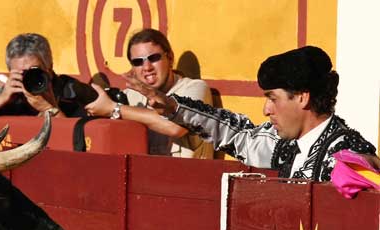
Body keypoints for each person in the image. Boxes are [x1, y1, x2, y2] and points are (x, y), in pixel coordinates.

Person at [120, 45, 377, 181]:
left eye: (272, 99)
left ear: (301, 97)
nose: (266, 110)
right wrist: (175, 109)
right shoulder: (285, 143)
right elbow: (237, 135)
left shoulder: (349, 154)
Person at [86, 28, 213, 158]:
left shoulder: (195, 89)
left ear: (170, 58)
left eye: (153, 58)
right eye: (138, 62)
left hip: (187, 177)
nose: (147, 67)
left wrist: (114, 109)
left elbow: (175, 127)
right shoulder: (132, 96)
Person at [0, 33, 87, 128]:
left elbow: (77, 142)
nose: (29, 79)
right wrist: (3, 98)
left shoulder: (72, 90)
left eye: (34, 71)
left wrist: (50, 109)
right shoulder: (13, 91)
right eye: (21, 73)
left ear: (49, 68)